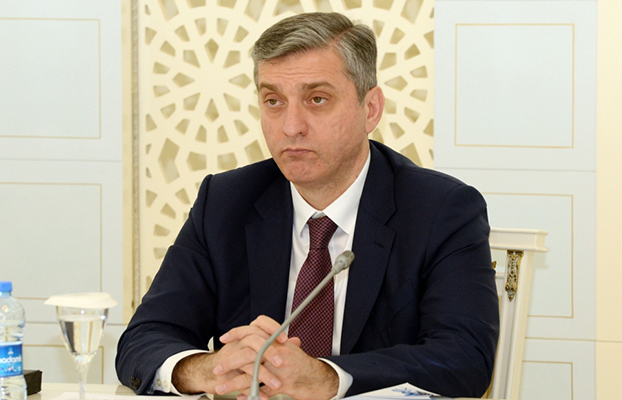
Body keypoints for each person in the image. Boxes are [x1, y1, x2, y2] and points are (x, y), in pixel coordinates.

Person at [116, 11, 499, 400]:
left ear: (370, 109)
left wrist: (327, 378)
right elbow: (144, 338)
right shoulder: (225, 202)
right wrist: (207, 369)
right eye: (273, 101)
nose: (291, 126)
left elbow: (464, 358)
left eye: (317, 99)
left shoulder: (441, 210)